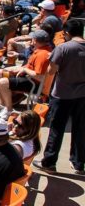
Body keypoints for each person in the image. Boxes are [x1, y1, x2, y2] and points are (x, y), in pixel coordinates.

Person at [35, 17, 85, 174]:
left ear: (67, 32)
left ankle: (49, 162)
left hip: (62, 95)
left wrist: (44, 92)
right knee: (81, 128)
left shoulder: (63, 48)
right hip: (83, 96)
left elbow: (51, 71)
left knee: (57, 129)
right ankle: (78, 164)